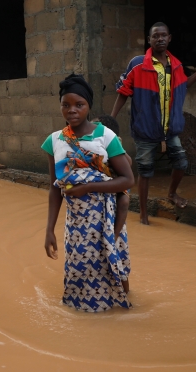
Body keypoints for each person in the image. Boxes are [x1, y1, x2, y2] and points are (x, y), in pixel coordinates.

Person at [43, 74, 134, 312]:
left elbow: (128, 179)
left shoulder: (106, 136)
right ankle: (85, 313)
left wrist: (89, 187)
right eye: (66, 105)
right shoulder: (54, 141)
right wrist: (49, 230)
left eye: (79, 105)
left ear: (88, 106)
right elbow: (55, 190)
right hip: (76, 223)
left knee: (113, 265)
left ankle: (124, 311)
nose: (72, 110)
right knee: (79, 269)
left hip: (107, 217)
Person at [111, 22, 196, 225]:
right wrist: (111, 120)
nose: (160, 39)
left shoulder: (176, 65)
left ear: (170, 38)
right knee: (145, 171)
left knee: (181, 163)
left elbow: (183, 85)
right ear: (149, 40)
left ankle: (172, 193)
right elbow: (123, 92)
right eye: (155, 36)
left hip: (170, 130)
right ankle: (143, 213)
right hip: (145, 130)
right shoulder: (137, 64)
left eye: (163, 35)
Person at [97, 114, 131, 240]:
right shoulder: (89, 141)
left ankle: (115, 235)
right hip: (102, 179)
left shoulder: (115, 141)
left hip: (118, 179)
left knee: (124, 201)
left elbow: (129, 163)